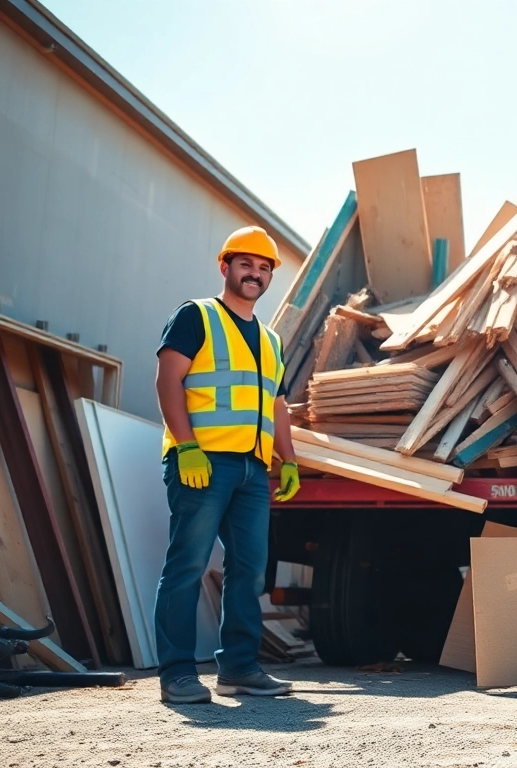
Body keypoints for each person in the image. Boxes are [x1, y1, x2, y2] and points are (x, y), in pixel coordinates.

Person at [154, 226, 302, 705]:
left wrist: (290, 459)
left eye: (263, 268)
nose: (254, 274)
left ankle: (239, 668)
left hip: (252, 471)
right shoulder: (196, 316)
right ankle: (177, 674)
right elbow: (167, 381)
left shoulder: (271, 339)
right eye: (246, 264)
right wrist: (186, 445)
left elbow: (276, 404)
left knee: (249, 571)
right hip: (202, 462)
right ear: (226, 267)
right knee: (188, 565)